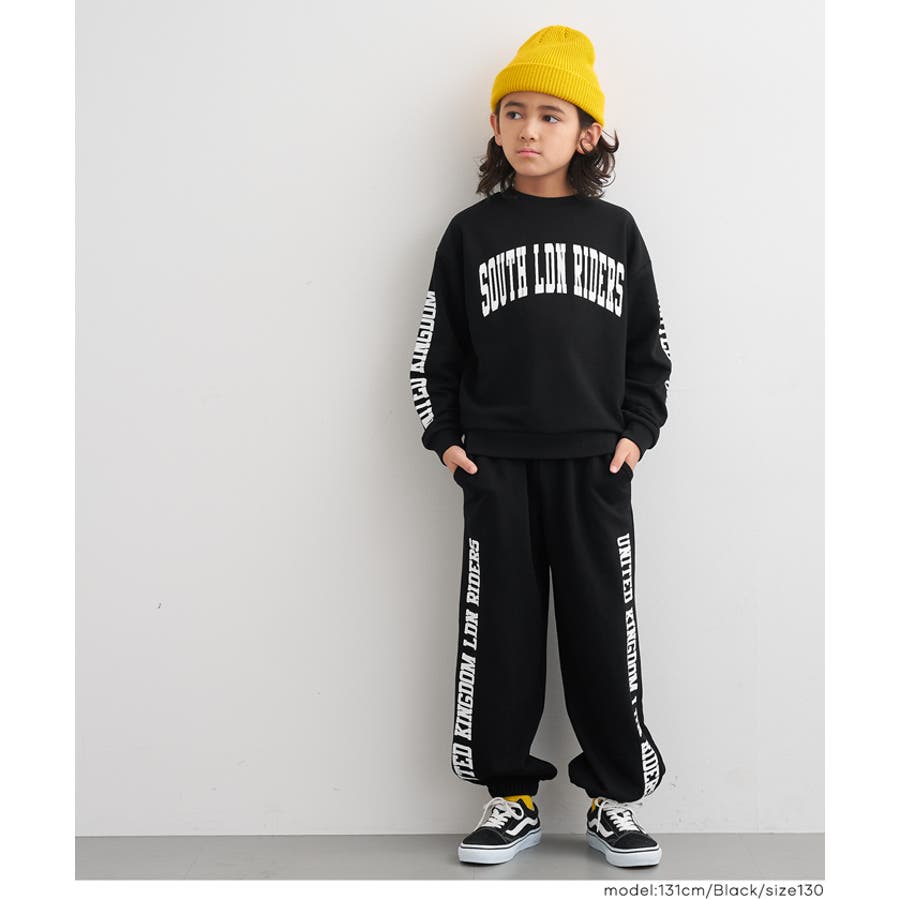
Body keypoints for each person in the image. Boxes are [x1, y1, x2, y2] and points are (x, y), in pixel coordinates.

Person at [408, 24, 673, 868]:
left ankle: (613, 799)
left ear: (586, 134)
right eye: (514, 112)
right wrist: (448, 441)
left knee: (602, 632)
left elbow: (650, 352)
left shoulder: (617, 232)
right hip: (497, 467)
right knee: (500, 634)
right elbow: (435, 352)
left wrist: (635, 436)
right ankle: (509, 797)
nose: (529, 129)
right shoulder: (469, 234)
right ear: (495, 127)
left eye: (551, 115)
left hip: (596, 467)